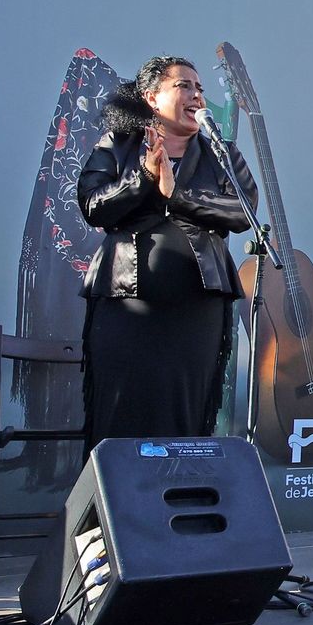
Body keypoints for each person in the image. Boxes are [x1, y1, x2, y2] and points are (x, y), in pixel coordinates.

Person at [78, 55, 258, 453]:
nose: (197, 95)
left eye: (200, 88)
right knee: (119, 410)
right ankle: (107, 510)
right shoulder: (117, 146)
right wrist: (144, 176)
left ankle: (178, 504)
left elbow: (242, 211)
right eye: (184, 86)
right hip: (124, 301)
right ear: (151, 98)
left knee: (186, 414)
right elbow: (93, 205)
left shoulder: (222, 154)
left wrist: (176, 194)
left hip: (196, 310)